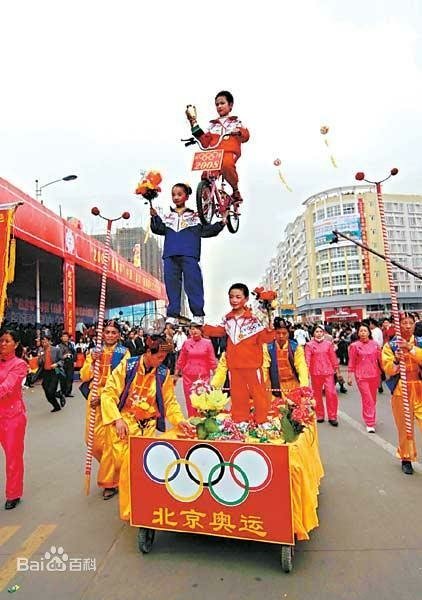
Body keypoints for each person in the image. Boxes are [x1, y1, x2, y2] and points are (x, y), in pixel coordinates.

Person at [100, 335, 193, 520]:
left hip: (147, 425)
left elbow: (169, 401)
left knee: (137, 468)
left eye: (164, 358)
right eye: (159, 357)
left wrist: (180, 420)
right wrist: (117, 419)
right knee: (125, 466)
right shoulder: (128, 367)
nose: (162, 361)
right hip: (126, 422)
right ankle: (131, 509)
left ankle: (135, 510)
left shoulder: (162, 373)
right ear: (148, 353)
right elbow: (109, 393)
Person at [150, 183, 226, 326]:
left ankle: (197, 314)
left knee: (193, 283)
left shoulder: (195, 216)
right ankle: (172, 314)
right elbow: (158, 229)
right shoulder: (167, 216)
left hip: (189, 254)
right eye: (173, 194)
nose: (176, 197)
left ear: (187, 196)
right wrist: (154, 217)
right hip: (170, 255)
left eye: (179, 194)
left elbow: (206, 231)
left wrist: (221, 223)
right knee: (172, 285)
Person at [203, 283, 275, 424]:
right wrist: (202, 327)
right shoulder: (227, 319)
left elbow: (265, 339)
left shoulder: (254, 319)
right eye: (231, 297)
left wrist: (269, 325)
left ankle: (261, 422)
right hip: (235, 366)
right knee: (238, 396)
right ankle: (240, 422)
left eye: (238, 297)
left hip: (253, 366)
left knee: (259, 396)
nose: (234, 300)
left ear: (246, 299)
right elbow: (218, 331)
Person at [79, 320, 130, 499]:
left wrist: (104, 396)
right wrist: (92, 360)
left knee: (110, 442)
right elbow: (84, 376)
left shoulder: (123, 353)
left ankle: (110, 482)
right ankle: (113, 469)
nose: (109, 335)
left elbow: (123, 380)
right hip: (93, 399)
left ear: (118, 335)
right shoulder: (93, 352)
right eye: (107, 332)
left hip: (111, 400)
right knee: (92, 442)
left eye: (113, 332)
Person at [187, 90, 250, 204]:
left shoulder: (236, 121)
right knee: (206, 174)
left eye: (222, 103)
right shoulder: (212, 125)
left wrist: (238, 132)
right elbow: (205, 142)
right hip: (214, 153)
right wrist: (193, 123)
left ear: (230, 105)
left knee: (226, 165)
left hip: (229, 151)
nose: (219, 106)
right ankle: (206, 204)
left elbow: (246, 136)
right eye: (217, 104)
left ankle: (235, 190)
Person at [382, 313, 422, 475]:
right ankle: (406, 458)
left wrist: (411, 348)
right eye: (403, 323)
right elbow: (388, 369)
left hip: (419, 387)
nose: (407, 326)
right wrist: (397, 360)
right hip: (401, 389)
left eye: (410, 323)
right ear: (397, 326)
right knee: (405, 427)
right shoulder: (390, 346)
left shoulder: (419, 342)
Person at [0, 329, 28, 510]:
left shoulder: (19, 365)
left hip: (12, 416)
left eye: (7, 341)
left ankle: (13, 493)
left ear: (16, 344)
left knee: (13, 457)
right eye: (1, 340)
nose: (3, 344)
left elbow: (7, 387)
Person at [175, 324, 217, 416]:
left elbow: (212, 359)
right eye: (192, 329)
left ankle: (203, 420)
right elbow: (181, 359)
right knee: (190, 400)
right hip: (188, 377)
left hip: (203, 376)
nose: (194, 331)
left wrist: (217, 377)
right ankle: (192, 419)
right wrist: (176, 374)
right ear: (190, 331)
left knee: (203, 399)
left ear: (201, 331)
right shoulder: (186, 343)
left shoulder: (208, 343)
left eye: (197, 329)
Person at [347, 323, 382, 433]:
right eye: (361, 331)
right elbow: (351, 361)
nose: (363, 333)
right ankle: (370, 422)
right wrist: (349, 376)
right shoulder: (354, 346)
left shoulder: (375, 345)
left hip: (374, 375)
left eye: (365, 331)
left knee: (373, 399)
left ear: (369, 332)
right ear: (358, 333)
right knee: (367, 399)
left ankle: (371, 416)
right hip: (361, 376)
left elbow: (381, 360)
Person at [305, 325, 340, 426]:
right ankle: (320, 415)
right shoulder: (309, 345)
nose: (319, 334)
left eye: (321, 331)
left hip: (328, 372)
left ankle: (332, 416)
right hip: (315, 372)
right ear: (313, 334)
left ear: (323, 333)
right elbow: (307, 359)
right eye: (317, 332)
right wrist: (306, 372)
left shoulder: (328, 344)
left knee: (331, 394)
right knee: (317, 395)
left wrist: (337, 371)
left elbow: (333, 358)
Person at [265, 318, 309, 395]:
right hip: (276, 387)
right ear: (274, 333)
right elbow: (264, 369)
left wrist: (304, 387)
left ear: (288, 333)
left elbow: (302, 367)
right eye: (278, 333)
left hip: (293, 386)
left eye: (284, 333)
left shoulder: (296, 348)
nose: (281, 336)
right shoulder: (267, 348)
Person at [39, 334, 65, 412]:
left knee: (51, 390)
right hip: (45, 372)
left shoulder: (56, 350)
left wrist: (56, 364)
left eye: (45, 342)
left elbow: (62, 360)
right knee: (47, 391)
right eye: (42, 342)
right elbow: (39, 363)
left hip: (54, 371)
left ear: (49, 341)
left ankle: (58, 397)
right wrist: (40, 358)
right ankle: (56, 404)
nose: (44, 344)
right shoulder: (41, 351)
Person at [57, 331, 76, 397]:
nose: (65, 338)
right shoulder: (59, 346)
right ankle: (63, 392)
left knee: (70, 378)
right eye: (63, 336)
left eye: (66, 336)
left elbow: (74, 353)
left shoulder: (71, 344)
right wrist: (63, 356)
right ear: (61, 338)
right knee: (63, 378)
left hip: (70, 362)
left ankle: (68, 392)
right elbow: (58, 356)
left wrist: (74, 361)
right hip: (63, 363)